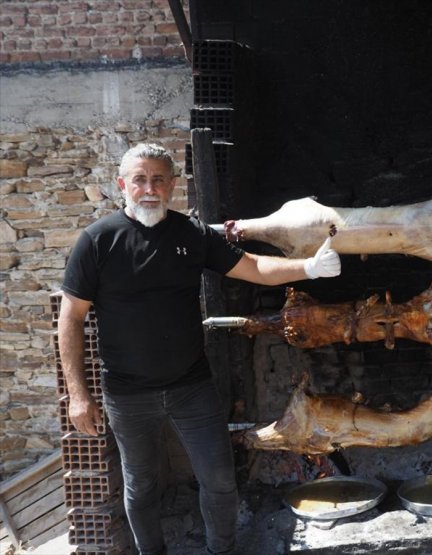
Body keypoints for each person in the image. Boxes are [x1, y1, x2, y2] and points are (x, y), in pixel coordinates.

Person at [58, 143, 341, 555]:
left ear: (173, 186)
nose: (149, 188)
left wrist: (309, 267)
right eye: (139, 180)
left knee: (220, 479)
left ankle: (220, 551)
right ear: (123, 185)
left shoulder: (191, 234)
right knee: (141, 484)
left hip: (192, 386)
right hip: (127, 392)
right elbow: (71, 317)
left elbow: (253, 266)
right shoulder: (98, 242)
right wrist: (79, 396)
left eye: (159, 179)